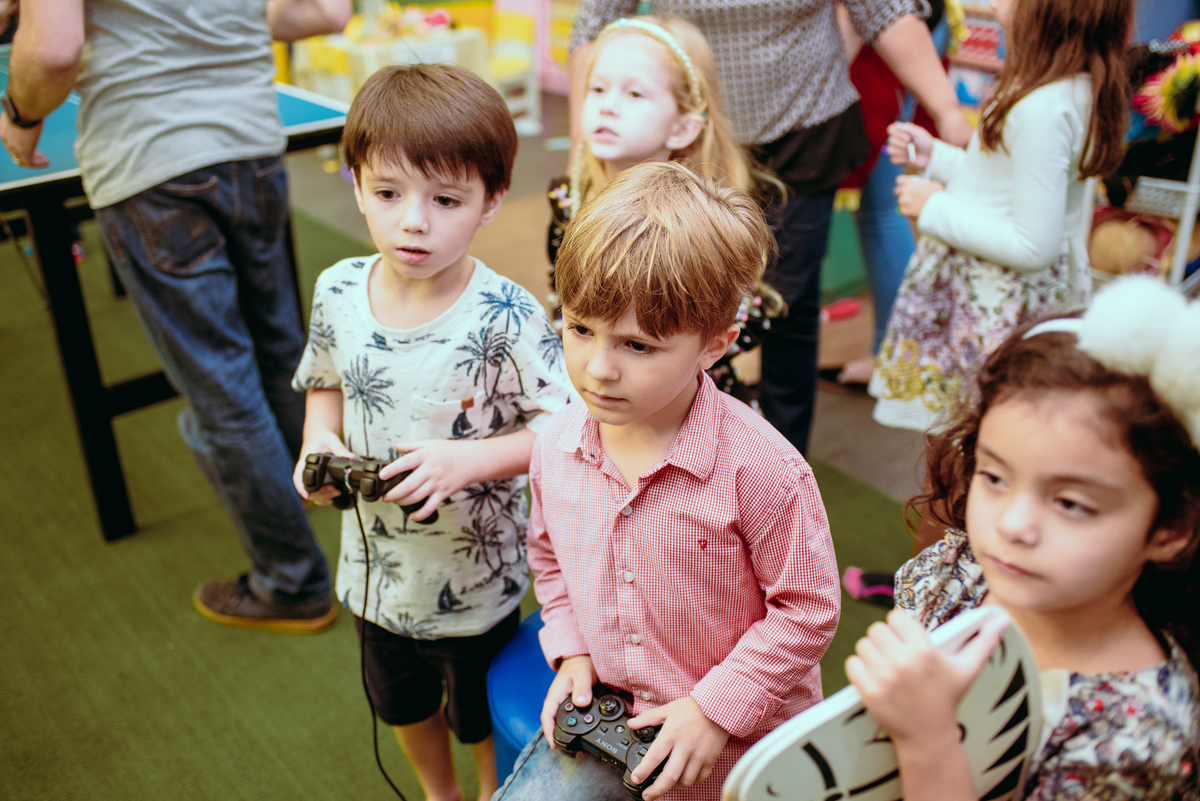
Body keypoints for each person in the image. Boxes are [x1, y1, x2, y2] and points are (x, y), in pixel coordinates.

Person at [1, 0, 351, 631]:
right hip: (253, 144)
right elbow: (325, 11)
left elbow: (52, 50)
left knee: (222, 390)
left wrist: (21, 114)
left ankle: (292, 582)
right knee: (279, 347)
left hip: (152, 158)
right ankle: (314, 488)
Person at [499, 162, 841, 801]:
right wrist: (572, 652)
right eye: (580, 329)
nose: (598, 369)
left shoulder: (762, 469)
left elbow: (808, 609)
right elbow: (550, 561)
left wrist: (715, 709)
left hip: (743, 755)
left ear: (716, 343)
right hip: (614, 728)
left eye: (637, 346)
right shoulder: (555, 448)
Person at [290, 64, 573, 801]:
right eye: (388, 193)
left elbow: (569, 430)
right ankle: (439, 793)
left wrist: (467, 462)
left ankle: (490, 791)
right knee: (401, 703)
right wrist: (317, 442)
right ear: (356, 185)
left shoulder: (506, 316)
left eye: (446, 199)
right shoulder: (338, 290)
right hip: (374, 573)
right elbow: (325, 380)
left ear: (491, 201)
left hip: (475, 582)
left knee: (478, 713)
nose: (414, 220)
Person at [847, 275, 1200, 800]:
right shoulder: (962, 571)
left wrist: (928, 741)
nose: (1012, 525)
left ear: (1170, 529)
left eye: (1071, 503)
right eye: (995, 477)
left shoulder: (1137, 738)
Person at [568, 0, 972, 454]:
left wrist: (948, 111)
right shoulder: (591, 185)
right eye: (600, 93)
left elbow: (883, 11)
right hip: (691, 138)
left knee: (785, 307)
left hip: (801, 127)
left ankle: (779, 459)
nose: (607, 104)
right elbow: (593, 24)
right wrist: (581, 155)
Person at [869, 0, 1131, 432]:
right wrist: (938, 157)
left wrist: (934, 208)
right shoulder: (1067, 90)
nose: (993, 3)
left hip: (997, 310)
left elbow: (1032, 246)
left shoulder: (1042, 108)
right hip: (1005, 301)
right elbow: (1004, 182)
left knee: (977, 430)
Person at [546, 15, 784, 403]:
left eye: (634, 94)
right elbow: (561, 295)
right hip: (597, 390)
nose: (607, 107)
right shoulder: (569, 197)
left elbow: (750, 313)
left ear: (683, 127)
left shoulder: (713, 214)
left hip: (688, 400)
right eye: (598, 89)